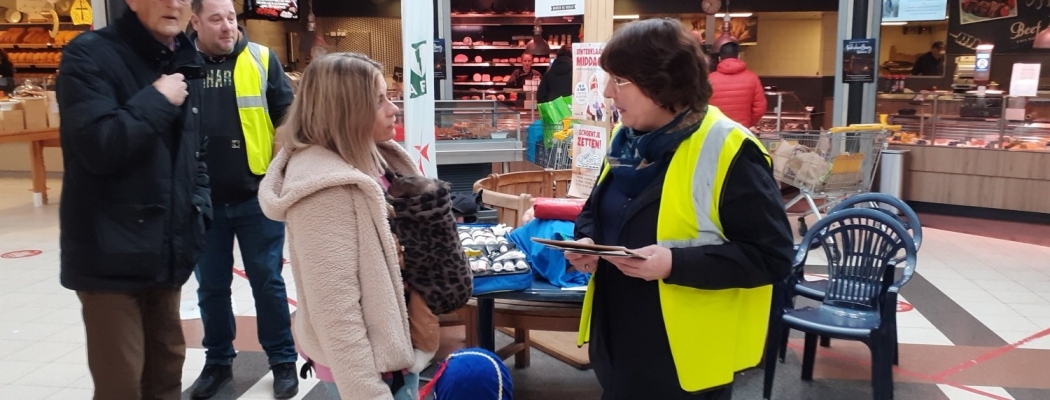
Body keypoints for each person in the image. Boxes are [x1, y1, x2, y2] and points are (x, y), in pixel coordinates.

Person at [562, 19, 793, 400]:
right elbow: (597, 209)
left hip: (683, 361)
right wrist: (586, 241)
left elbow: (773, 256)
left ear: (662, 83)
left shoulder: (730, 149)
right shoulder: (628, 141)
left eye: (619, 81)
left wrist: (673, 264)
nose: (606, 92)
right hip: (620, 342)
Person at [55, 0, 209, 398]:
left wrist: (199, 209)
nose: (174, 3)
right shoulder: (89, 54)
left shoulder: (185, 58)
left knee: (167, 372)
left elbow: (194, 151)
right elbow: (98, 146)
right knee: (121, 382)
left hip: (166, 248)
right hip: (109, 254)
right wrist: (157, 99)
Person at [258, 52, 421, 399]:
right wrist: (367, 392)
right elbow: (336, 309)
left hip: (394, 349)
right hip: (371, 370)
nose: (393, 109)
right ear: (346, 111)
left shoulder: (372, 159)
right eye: (379, 101)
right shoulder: (323, 189)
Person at [186, 0, 298, 398]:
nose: (227, 26)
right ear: (195, 21)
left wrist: (284, 172)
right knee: (210, 286)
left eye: (231, 18)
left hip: (256, 195)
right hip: (203, 200)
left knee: (267, 282)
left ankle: (282, 360)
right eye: (216, 19)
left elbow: (287, 116)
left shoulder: (261, 58)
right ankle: (217, 362)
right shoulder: (176, 60)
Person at [708, 42, 767, 128]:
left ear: (720, 58)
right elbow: (760, 108)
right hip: (742, 131)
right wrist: (748, 123)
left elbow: (701, 108)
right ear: (739, 56)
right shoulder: (752, 78)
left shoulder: (709, 79)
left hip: (716, 129)